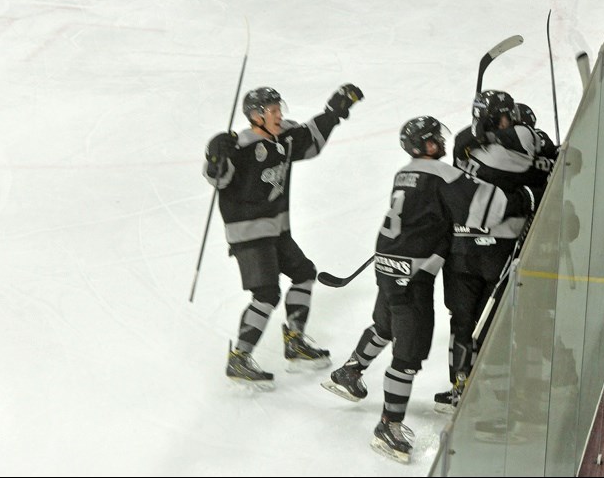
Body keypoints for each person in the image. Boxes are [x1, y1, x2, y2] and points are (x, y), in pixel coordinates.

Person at [320, 116, 538, 463]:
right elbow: (489, 208)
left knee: (386, 325)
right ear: (429, 145)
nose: (442, 142)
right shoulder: (442, 174)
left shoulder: (404, 173)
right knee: (409, 351)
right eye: (436, 138)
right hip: (413, 274)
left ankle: (350, 371)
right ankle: (388, 427)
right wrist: (526, 197)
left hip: (388, 265)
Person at [203, 84, 364, 390]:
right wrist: (214, 155)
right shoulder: (239, 146)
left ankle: (295, 341)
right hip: (248, 234)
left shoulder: (284, 139)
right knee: (266, 294)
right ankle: (240, 356)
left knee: (304, 273)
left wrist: (334, 112)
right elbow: (217, 177)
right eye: (272, 111)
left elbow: (311, 139)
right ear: (256, 116)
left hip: (276, 229)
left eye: (279, 109)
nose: (279, 115)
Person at [434, 91, 555, 413]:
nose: (512, 119)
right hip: (496, 248)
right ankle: (491, 399)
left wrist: (478, 130)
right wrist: (537, 189)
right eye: (507, 115)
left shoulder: (465, 145)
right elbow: (532, 143)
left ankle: (459, 387)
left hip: (460, 247)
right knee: (494, 326)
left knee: (462, 322)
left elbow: (468, 144)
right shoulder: (515, 145)